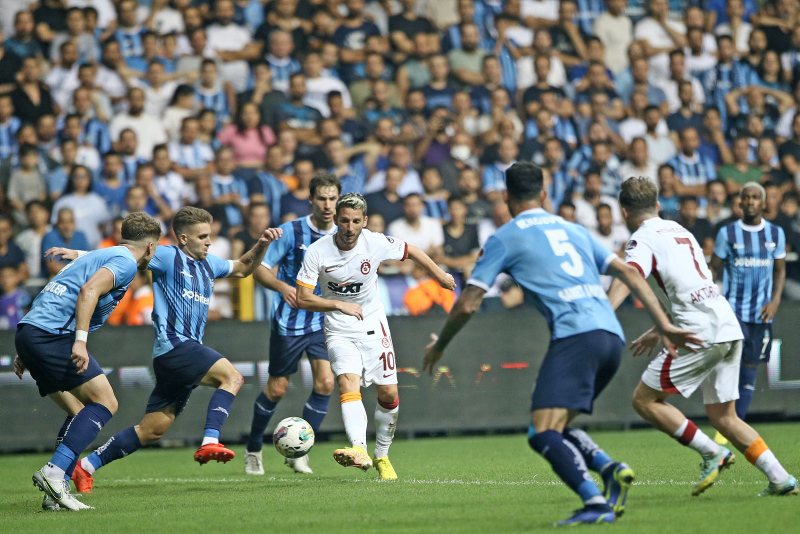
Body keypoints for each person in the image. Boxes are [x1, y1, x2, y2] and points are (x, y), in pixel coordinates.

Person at [422, 162, 700, 525]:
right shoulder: (574, 229)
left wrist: (441, 345)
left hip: (576, 337)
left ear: (506, 197)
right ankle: (609, 468)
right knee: (558, 424)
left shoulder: (504, 237)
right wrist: (664, 324)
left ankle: (595, 503)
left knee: (542, 432)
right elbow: (630, 272)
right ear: (544, 194)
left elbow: (468, 303)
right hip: (609, 336)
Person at [62, 207, 282, 493]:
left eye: (210, 235)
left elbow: (243, 267)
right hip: (175, 347)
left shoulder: (210, 264)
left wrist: (262, 243)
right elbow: (124, 255)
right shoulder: (167, 256)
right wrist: (78, 255)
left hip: (177, 355)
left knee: (152, 429)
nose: (209, 241)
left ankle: (86, 467)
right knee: (233, 377)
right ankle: (210, 441)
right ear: (183, 238)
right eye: (202, 236)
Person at [608, 177, 798, 499]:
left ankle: (713, 452)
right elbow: (697, 284)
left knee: (644, 400)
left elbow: (629, 276)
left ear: (624, 211)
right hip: (726, 324)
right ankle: (781, 478)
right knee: (724, 416)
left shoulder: (641, 241)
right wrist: (660, 327)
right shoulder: (682, 231)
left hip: (699, 334)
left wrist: (604, 313)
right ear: (657, 205)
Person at [295, 192, 455, 480]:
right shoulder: (318, 251)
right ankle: (359, 449)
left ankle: (382, 454)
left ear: (364, 221)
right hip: (339, 327)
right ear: (335, 219)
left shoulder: (375, 242)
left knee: (389, 393)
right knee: (347, 383)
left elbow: (412, 250)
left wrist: (439, 275)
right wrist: (337, 304)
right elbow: (303, 297)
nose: (349, 227)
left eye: (356, 221)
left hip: (373, 325)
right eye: (344, 220)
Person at [14, 212, 162, 511]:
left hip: (32, 331)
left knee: (78, 410)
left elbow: (66, 288)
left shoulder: (108, 254)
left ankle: (54, 493)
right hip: (55, 335)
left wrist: (28, 348)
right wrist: (79, 341)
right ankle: (54, 473)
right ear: (150, 247)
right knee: (105, 402)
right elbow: (88, 291)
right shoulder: (124, 262)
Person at [244, 173, 341, 476]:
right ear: (310, 200)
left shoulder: (343, 234)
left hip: (321, 320)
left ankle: (299, 451)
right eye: (322, 199)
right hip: (289, 322)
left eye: (332, 199)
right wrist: (283, 287)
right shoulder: (290, 231)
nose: (327, 205)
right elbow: (258, 270)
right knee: (277, 389)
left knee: (326, 382)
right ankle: (253, 449)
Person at [709, 183, 786, 440]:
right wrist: (711, 299)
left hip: (762, 313)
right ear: (739, 203)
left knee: (750, 370)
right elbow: (714, 268)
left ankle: (734, 425)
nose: (751, 201)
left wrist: (775, 300)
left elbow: (779, 270)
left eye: (756, 197)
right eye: (746, 198)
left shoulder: (776, 233)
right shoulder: (727, 233)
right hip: (733, 312)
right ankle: (726, 424)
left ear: (763, 203)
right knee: (730, 367)